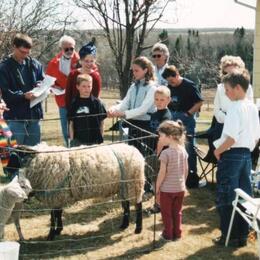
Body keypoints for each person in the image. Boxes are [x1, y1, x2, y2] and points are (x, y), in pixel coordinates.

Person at [213, 69, 260, 247]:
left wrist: (218, 152)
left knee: (226, 195)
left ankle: (229, 235)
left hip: (231, 155)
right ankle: (242, 235)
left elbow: (231, 137)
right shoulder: (252, 107)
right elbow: (256, 137)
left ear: (238, 88)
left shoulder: (235, 108)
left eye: (227, 89)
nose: (225, 93)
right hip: (246, 155)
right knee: (244, 196)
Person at [162, 65, 203, 188]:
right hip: (173, 117)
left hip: (187, 118)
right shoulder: (168, 87)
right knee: (172, 147)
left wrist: (188, 114)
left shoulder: (189, 85)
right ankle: (176, 174)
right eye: (169, 82)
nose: (171, 84)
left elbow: (200, 102)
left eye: (172, 81)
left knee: (188, 147)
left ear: (177, 74)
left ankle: (192, 177)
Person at [0, 33, 44, 145]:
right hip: (15, 118)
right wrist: (23, 96)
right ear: (14, 47)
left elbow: (43, 81)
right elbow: (6, 94)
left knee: (34, 155)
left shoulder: (35, 64)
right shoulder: (4, 68)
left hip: (34, 117)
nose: (25, 55)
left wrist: (41, 86)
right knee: (15, 154)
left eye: (28, 52)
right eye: (22, 52)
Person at [108, 56, 157, 155]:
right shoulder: (133, 87)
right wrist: (113, 109)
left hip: (147, 126)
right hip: (133, 124)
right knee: (133, 155)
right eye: (133, 71)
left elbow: (143, 109)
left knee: (147, 156)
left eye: (136, 70)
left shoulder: (152, 88)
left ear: (145, 70)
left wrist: (123, 114)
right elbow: (125, 103)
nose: (134, 73)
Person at [156, 120, 188, 241]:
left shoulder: (165, 153)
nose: (160, 138)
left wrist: (157, 188)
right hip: (180, 188)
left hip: (167, 190)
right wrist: (183, 184)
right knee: (177, 212)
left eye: (161, 136)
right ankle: (177, 233)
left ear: (169, 136)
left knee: (167, 213)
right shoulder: (183, 151)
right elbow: (186, 169)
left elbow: (162, 173)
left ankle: (168, 235)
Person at [46, 35, 79, 146]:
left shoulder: (82, 61)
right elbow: (48, 81)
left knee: (78, 130)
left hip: (78, 101)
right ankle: (68, 149)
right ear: (61, 48)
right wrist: (53, 88)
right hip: (62, 101)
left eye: (72, 48)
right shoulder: (53, 63)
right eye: (66, 49)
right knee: (66, 131)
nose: (70, 51)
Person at [213, 55, 254, 141]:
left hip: (240, 125)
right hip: (222, 125)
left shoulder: (248, 88)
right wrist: (227, 119)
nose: (229, 76)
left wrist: (236, 120)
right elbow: (217, 109)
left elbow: (249, 107)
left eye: (232, 73)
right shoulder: (220, 87)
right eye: (226, 73)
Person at [149, 86, 172, 214]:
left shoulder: (166, 116)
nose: (159, 102)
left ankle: (159, 204)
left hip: (163, 152)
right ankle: (158, 202)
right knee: (154, 177)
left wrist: (157, 153)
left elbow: (163, 139)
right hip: (154, 148)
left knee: (160, 179)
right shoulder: (154, 114)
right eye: (156, 99)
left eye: (162, 99)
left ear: (168, 100)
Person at [67, 74, 106, 146]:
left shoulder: (97, 103)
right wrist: (72, 141)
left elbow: (102, 122)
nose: (87, 89)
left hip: (94, 141)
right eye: (84, 86)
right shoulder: (74, 103)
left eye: (89, 86)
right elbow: (71, 124)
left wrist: (101, 139)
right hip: (78, 141)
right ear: (77, 86)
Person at [65, 41, 102, 109]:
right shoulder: (72, 75)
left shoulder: (96, 76)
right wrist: (70, 113)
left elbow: (96, 97)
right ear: (80, 61)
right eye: (86, 61)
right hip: (74, 111)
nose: (89, 64)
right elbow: (68, 96)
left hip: (91, 112)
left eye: (91, 61)